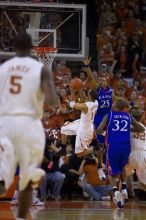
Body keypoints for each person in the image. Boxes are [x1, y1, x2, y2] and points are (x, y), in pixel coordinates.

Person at [0, 32, 57, 220]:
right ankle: (22, 218)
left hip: (5, 122)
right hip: (29, 123)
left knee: (3, 174)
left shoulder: (3, 68)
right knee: (27, 175)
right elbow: (52, 101)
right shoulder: (41, 69)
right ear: (32, 48)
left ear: (13, 48)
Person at [96, 98, 144, 209]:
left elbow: (98, 130)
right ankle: (124, 188)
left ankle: (115, 191)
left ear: (116, 107)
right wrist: (128, 129)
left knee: (110, 171)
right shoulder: (128, 116)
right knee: (123, 166)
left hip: (113, 145)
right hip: (125, 146)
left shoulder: (109, 115)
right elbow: (140, 128)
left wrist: (106, 132)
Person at [61, 88, 98, 158]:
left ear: (89, 96)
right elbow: (85, 99)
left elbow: (71, 104)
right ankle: (63, 149)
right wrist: (80, 91)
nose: (86, 93)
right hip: (82, 124)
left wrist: (72, 92)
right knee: (63, 128)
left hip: (85, 131)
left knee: (79, 154)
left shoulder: (85, 106)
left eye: (88, 92)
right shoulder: (96, 102)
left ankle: (94, 149)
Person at [129, 108, 146, 185]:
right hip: (143, 154)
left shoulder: (128, 126)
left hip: (132, 154)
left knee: (122, 174)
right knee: (144, 182)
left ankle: (122, 191)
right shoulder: (144, 128)